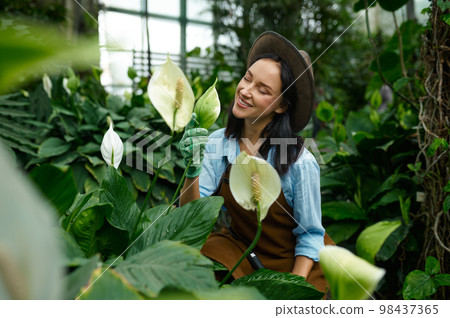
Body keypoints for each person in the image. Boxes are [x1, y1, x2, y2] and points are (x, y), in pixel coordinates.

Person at [179, 31, 333, 293]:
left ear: (281, 106)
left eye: (262, 90)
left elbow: (310, 237)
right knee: (186, 262)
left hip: (295, 262)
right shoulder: (219, 143)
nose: (245, 91)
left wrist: (291, 290)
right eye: (247, 78)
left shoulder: (300, 162)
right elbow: (190, 218)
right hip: (242, 251)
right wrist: (192, 170)